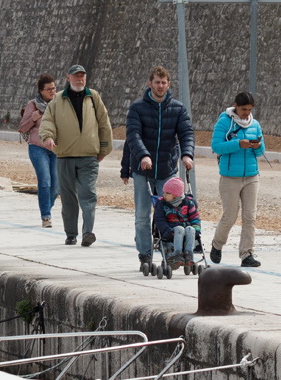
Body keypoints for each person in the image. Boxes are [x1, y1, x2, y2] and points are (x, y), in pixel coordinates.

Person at [124, 66, 195, 273]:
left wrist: (187, 154)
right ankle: (145, 254)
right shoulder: (137, 108)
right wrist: (143, 155)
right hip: (142, 169)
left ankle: (171, 251)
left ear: (168, 84)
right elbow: (133, 135)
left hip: (167, 169)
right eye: (157, 82)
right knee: (142, 215)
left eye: (164, 83)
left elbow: (186, 133)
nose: (160, 86)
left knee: (173, 212)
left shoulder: (177, 108)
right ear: (150, 84)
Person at [39, 64, 112, 247]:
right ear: (68, 78)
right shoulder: (57, 99)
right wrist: (48, 137)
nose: (80, 79)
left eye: (82, 76)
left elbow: (104, 123)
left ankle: (88, 233)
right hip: (65, 156)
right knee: (68, 198)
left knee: (88, 194)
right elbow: (48, 121)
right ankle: (71, 234)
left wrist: (104, 149)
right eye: (76, 76)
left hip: (89, 156)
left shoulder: (93, 97)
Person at [209, 91, 265, 268]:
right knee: (230, 215)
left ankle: (247, 254)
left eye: (249, 110)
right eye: (243, 110)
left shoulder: (255, 124)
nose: (246, 113)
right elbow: (216, 146)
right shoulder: (224, 122)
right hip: (230, 177)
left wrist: (257, 146)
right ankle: (217, 245)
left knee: (250, 217)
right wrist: (238, 144)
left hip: (251, 176)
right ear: (236, 106)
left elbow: (261, 151)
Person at [18, 74, 59, 228]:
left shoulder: (60, 103)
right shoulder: (33, 105)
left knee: (56, 186)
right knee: (45, 181)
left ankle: (46, 207)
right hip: (37, 148)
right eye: (49, 89)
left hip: (56, 148)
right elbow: (22, 128)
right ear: (41, 91)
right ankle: (46, 216)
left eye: (54, 88)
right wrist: (33, 118)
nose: (52, 91)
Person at [153, 176, 202, 270]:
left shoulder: (188, 203)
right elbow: (159, 220)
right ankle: (177, 254)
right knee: (179, 229)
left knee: (191, 229)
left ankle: (189, 254)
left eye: (167, 193)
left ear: (176, 195)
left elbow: (194, 217)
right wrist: (167, 230)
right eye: (164, 192)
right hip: (170, 231)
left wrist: (196, 229)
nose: (164, 195)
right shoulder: (161, 204)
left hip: (187, 230)